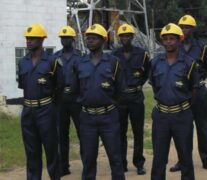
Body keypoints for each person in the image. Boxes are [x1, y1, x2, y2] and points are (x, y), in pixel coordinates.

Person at [74, 24, 125, 180]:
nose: (90, 41)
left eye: (94, 38)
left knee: (115, 158)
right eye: (88, 38)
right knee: (88, 159)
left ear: (103, 40)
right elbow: (76, 90)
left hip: (109, 117)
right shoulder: (80, 63)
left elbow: (120, 90)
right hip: (87, 118)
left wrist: (108, 105)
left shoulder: (113, 62)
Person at [149, 23, 199, 180]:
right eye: (166, 39)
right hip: (161, 116)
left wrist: (181, 106)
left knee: (185, 157)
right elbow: (155, 87)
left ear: (180, 40)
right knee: (158, 158)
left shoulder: (189, 63)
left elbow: (195, 90)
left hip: (182, 116)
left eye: (172, 39)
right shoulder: (155, 62)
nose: (169, 42)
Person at [169, 14, 207, 173]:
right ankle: (183, 160)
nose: (184, 30)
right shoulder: (176, 47)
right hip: (182, 93)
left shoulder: (201, 48)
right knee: (183, 128)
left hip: (199, 93)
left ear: (193, 29)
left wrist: (197, 81)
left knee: (201, 127)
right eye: (182, 27)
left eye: (187, 27)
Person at [18, 23, 60, 180]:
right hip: (28, 111)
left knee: (51, 150)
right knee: (31, 151)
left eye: (32, 38)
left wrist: (50, 106)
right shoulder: (22, 62)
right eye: (27, 38)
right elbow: (23, 85)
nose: (28, 41)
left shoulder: (52, 61)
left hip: (46, 110)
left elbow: (59, 86)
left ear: (42, 40)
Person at [112, 23, 149, 175]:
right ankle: (122, 163)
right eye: (122, 36)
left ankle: (139, 163)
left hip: (135, 97)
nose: (125, 38)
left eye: (128, 35)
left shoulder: (142, 54)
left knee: (138, 131)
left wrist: (138, 84)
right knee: (120, 132)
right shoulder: (114, 55)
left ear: (133, 37)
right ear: (119, 38)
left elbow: (147, 73)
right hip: (120, 98)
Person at [54, 25, 83, 176]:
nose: (64, 40)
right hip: (60, 101)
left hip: (76, 100)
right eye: (62, 38)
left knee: (82, 133)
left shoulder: (80, 57)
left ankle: (87, 164)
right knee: (61, 135)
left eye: (67, 38)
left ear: (73, 39)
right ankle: (63, 167)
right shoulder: (55, 57)